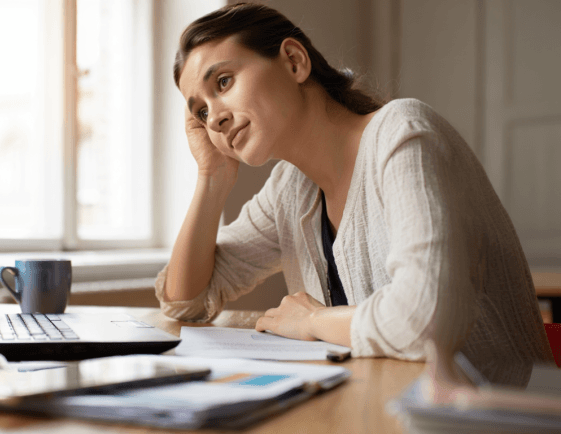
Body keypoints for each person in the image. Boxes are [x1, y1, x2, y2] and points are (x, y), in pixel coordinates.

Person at [154, 2, 553, 385]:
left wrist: (312, 322)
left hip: (488, 415)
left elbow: (427, 320)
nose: (216, 118)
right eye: (202, 112)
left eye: (223, 82)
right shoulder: (289, 191)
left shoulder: (402, 133)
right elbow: (185, 302)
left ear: (294, 61)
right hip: (383, 409)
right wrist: (212, 176)